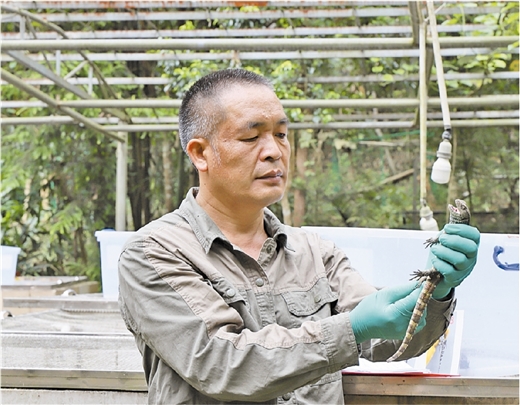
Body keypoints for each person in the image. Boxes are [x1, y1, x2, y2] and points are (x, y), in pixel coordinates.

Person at [118, 68, 480, 404]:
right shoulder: (153, 254)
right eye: (251, 136)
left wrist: (438, 290)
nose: (274, 151)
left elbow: (391, 338)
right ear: (200, 153)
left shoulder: (315, 253)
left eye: (280, 134)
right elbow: (221, 361)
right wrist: (351, 328)